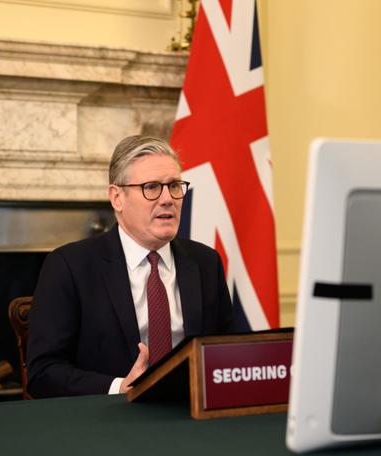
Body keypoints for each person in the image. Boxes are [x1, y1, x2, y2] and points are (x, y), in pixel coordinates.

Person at [27, 136, 234, 398]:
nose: (168, 199)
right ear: (117, 198)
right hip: (107, 424)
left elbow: (227, 355)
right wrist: (119, 388)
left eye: (174, 186)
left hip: (191, 418)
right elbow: (43, 372)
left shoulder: (205, 263)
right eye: (151, 187)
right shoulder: (70, 266)